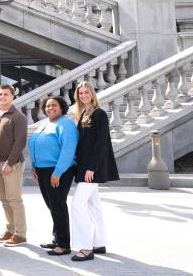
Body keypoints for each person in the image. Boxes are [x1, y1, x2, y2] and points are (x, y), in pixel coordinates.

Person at [70, 81, 119, 261]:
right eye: (80, 93)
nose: (83, 96)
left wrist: (92, 168)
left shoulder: (99, 114)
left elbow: (101, 144)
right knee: (94, 206)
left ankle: (86, 247)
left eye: (86, 92)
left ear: (92, 94)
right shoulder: (83, 113)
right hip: (83, 166)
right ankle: (99, 242)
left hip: (92, 168)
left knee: (77, 203)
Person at [29, 95, 79, 256]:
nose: (50, 108)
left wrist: (58, 172)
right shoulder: (46, 123)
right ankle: (57, 238)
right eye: (47, 106)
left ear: (62, 107)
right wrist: (34, 166)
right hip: (43, 170)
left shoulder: (66, 125)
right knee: (52, 205)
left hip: (58, 170)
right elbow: (35, 144)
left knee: (58, 205)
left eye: (53, 105)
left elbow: (68, 150)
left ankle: (64, 244)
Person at [0, 84, 28, 247]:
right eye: (0, 94)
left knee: (14, 199)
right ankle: (10, 229)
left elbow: (19, 142)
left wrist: (9, 163)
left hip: (11, 164)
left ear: (12, 96)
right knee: (4, 199)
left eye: (6, 94)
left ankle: (20, 234)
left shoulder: (18, 117)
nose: (2, 97)